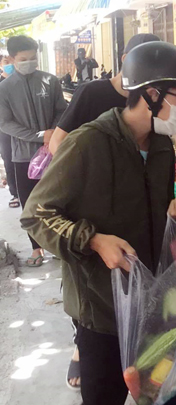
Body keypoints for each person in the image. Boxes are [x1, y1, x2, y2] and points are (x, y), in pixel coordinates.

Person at [21, 41, 176, 405]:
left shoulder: (162, 146)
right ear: (151, 93)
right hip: (102, 309)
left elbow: (147, 208)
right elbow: (36, 215)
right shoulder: (89, 143)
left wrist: (171, 216)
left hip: (157, 305)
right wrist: (93, 241)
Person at [49, 33, 161, 390]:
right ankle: (82, 348)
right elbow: (58, 142)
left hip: (135, 253)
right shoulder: (93, 96)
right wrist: (84, 182)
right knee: (94, 318)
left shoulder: (161, 137)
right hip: (93, 224)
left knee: (159, 395)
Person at [0, 35, 67, 267]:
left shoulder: (50, 81)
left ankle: (58, 244)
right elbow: (5, 123)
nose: (29, 62)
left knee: (58, 201)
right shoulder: (5, 88)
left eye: (32, 58)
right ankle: (36, 248)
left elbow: (62, 110)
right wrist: (40, 136)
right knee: (30, 205)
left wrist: (55, 133)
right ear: (11, 59)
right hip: (22, 157)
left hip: (55, 153)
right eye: (23, 59)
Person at [50, 33, 160, 156]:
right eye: (144, 61)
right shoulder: (91, 92)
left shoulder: (154, 97)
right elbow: (57, 142)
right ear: (125, 59)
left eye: (156, 64)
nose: (151, 69)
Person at [0, 53, 19, 208]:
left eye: (11, 61)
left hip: (26, 127)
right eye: (6, 62)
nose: (9, 64)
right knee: (9, 158)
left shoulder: (21, 81)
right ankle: (15, 193)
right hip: (5, 129)